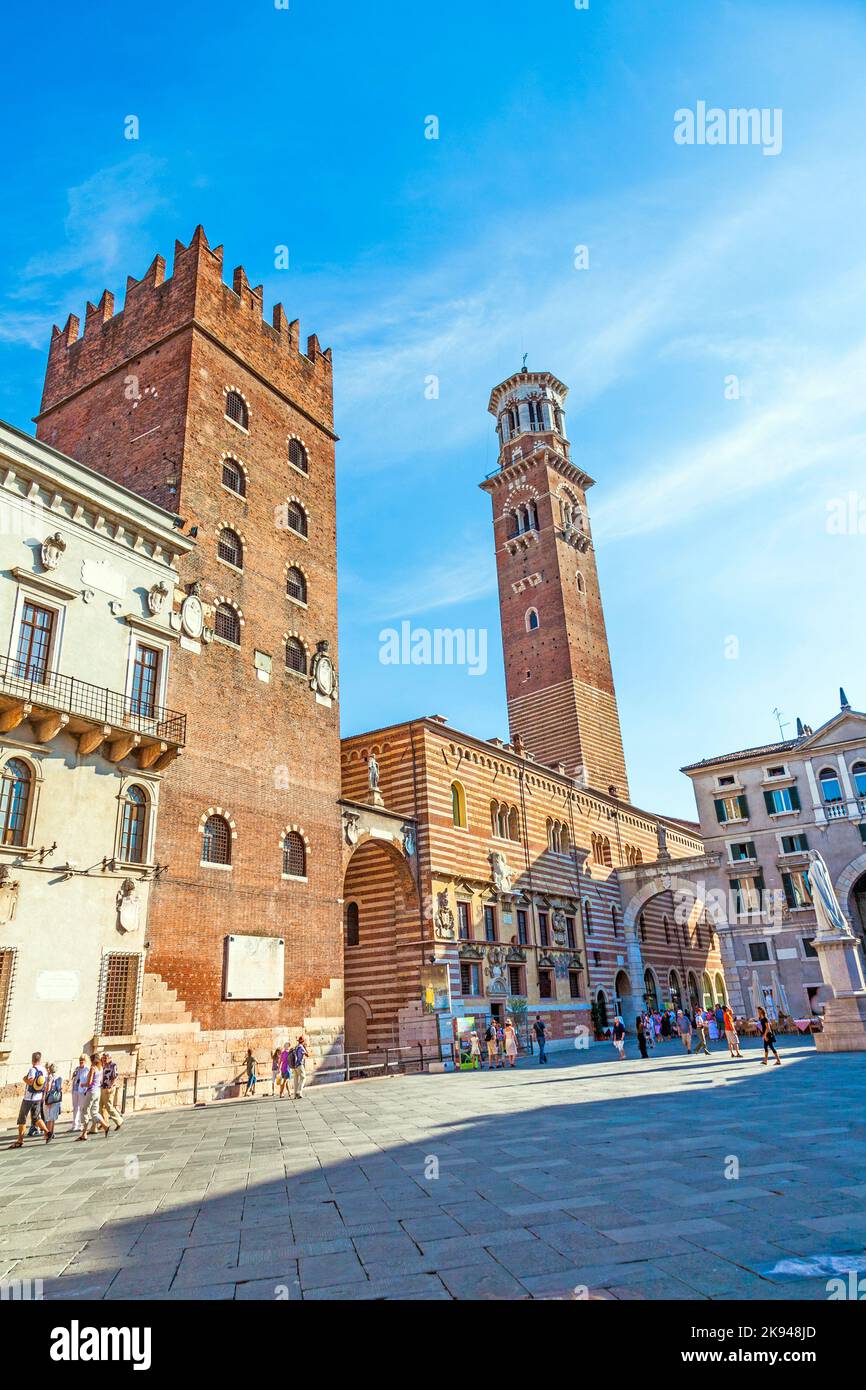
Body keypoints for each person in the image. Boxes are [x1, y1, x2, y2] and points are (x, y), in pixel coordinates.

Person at [12, 1052, 49, 1147]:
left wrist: (24, 1079)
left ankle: (20, 1140)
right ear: (40, 1059)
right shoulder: (44, 1070)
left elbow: (30, 1081)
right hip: (38, 1097)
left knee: (22, 1118)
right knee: (36, 1117)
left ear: (32, 1060)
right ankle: (47, 1132)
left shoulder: (32, 1069)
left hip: (29, 1097)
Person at [76, 1055, 109, 1140]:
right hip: (98, 1091)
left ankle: (84, 1134)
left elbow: (89, 1083)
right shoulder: (100, 1068)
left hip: (91, 1092)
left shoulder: (93, 1068)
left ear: (92, 1060)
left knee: (85, 1111)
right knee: (94, 1112)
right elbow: (100, 1081)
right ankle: (105, 1126)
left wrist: (82, 1084)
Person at [99, 1052, 124, 1130]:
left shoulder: (113, 1065)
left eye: (106, 1058)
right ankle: (105, 1123)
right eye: (103, 1058)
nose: (104, 1059)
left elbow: (114, 1076)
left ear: (110, 1058)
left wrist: (110, 1086)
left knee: (109, 1106)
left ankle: (119, 1120)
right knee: (101, 1106)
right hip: (102, 1087)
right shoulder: (103, 1065)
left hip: (108, 1087)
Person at [42, 1064, 63, 1142]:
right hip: (56, 1098)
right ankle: (52, 1132)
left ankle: (48, 1134)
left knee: (48, 1118)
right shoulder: (59, 1077)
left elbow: (48, 1088)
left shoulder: (50, 1077)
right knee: (53, 1117)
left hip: (49, 1099)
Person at [70, 1055, 90, 1132]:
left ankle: (81, 1125)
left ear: (86, 1060)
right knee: (75, 1107)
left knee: (82, 1108)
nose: (81, 1061)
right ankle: (75, 1125)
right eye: (80, 1060)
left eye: (82, 1060)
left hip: (82, 1090)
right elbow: (74, 1078)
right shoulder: (77, 1069)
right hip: (75, 1089)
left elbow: (88, 1080)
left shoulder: (87, 1069)